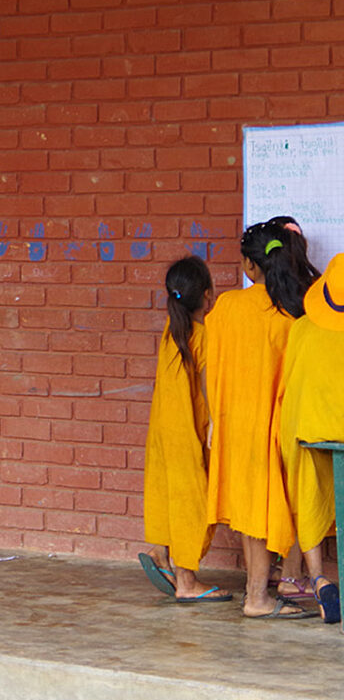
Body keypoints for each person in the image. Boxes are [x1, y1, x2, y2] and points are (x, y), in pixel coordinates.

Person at [205, 221, 316, 619]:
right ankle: (277, 584)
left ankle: (259, 593)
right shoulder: (296, 312)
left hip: (238, 425)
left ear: (251, 268)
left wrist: (216, 421)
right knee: (293, 502)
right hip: (285, 426)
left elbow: (209, 372)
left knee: (254, 511)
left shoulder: (228, 307)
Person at [139, 257, 231, 603]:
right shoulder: (202, 336)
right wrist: (218, 426)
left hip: (163, 430)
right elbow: (208, 389)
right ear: (208, 296)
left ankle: (161, 553)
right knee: (194, 501)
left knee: (167, 493)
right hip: (189, 433)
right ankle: (187, 581)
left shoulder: (171, 330)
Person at [276, 253, 344, 624]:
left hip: (311, 431)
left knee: (310, 494)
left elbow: (291, 386)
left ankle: (318, 578)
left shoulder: (303, 329)